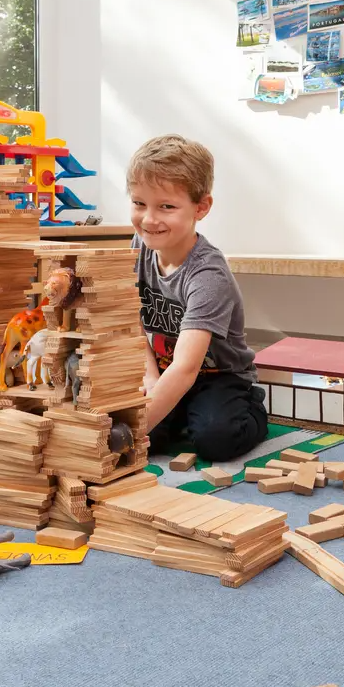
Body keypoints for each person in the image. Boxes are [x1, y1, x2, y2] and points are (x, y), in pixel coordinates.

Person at [128, 134, 268, 461]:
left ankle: (253, 410)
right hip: (166, 369)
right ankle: (181, 414)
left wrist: (134, 433)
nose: (148, 219)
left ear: (201, 207)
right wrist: (149, 377)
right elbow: (132, 323)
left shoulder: (207, 275)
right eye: (139, 203)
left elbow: (187, 368)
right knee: (152, 436)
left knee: (215, 440)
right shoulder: (138, 249)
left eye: (166, 206)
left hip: (218, 377)